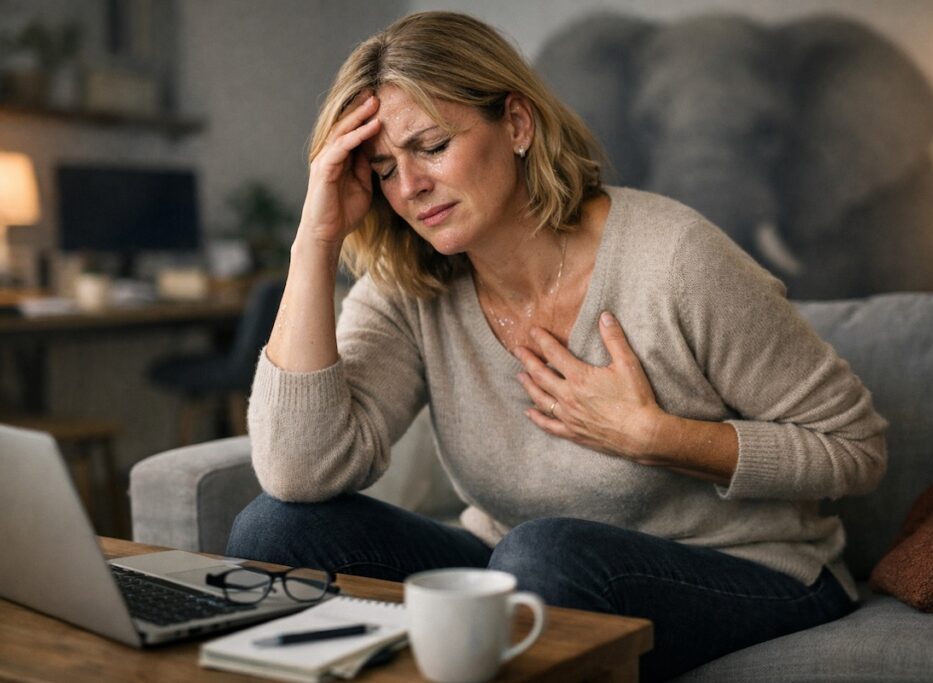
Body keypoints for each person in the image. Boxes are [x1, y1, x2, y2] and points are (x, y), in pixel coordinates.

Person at [226, 11, 888, 681]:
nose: (410, 187)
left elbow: (857, 448)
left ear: (516, 124)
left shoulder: (674, 259)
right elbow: (298, 471)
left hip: (749, 571)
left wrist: (659, 437)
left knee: (542, 556)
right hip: (526, 567)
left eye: (430, 146)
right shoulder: (411, 283)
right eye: (384, 168)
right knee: (273, 530)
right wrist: (315, 239)